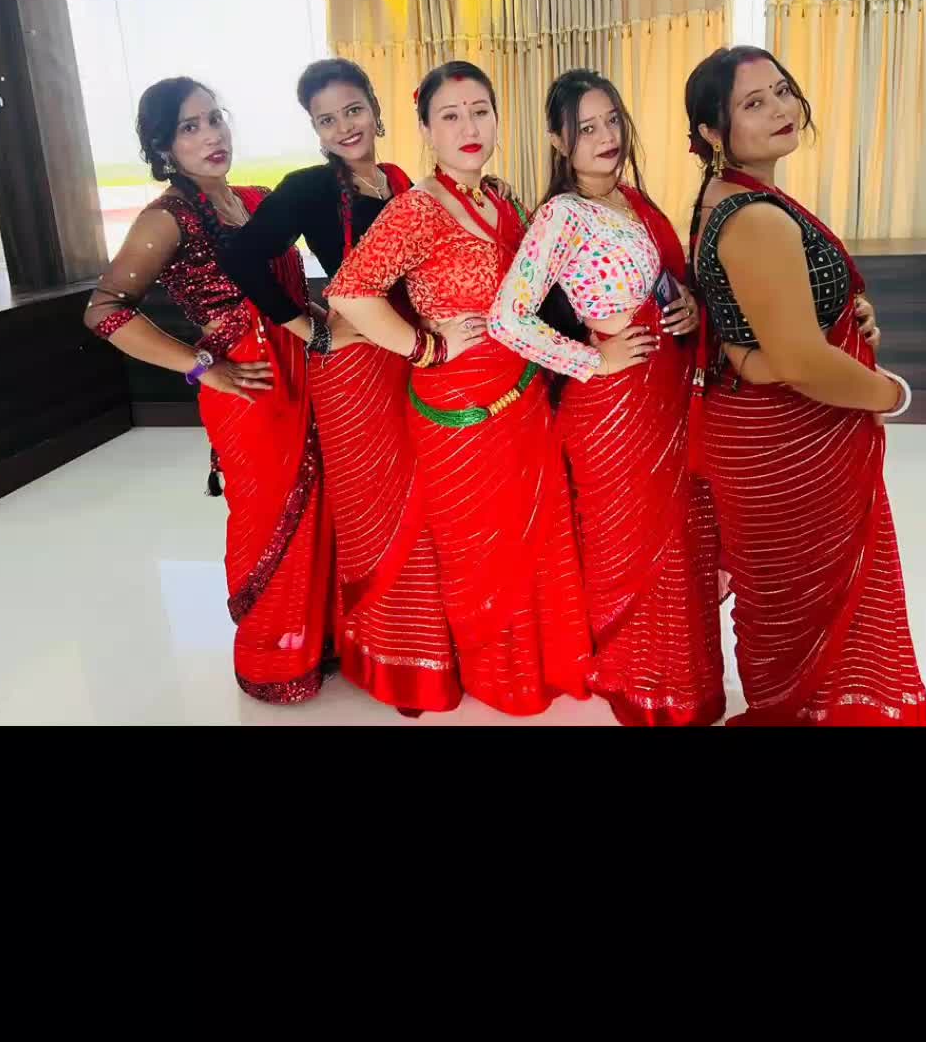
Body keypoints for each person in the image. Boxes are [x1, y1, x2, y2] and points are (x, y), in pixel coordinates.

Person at [327, 60, 594, 718]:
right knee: (481, 547)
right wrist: (426, 346)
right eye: (450, 115)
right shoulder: (416, 209)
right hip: (460, 410)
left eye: (480, 111)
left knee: (538, 531)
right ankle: (497, 674)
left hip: (524, 393)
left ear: (498, 119)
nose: (468, 127)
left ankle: (542, 663)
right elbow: (350, 294)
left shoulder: (501, 198)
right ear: (425, 130)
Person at [685, 45, 926, 727]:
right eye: (753, 103)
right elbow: (798, 361)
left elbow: (759, 326)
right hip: (786, 442)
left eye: (782, 91)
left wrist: (843, 313)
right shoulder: (755, 216)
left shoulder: (731, 196)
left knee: (791, 599)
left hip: (770, 429)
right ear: (712, 131)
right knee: (805, 599)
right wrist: (892, 394)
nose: (780, 109)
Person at [221, 57, 462, 716]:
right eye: (326, 119)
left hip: (411, 353)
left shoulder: (401, 181)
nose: (344, 127)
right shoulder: (306, 188)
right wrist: (310, 328)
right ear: (315, 130)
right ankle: (388, 657)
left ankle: (431, 649)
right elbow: (242, 257)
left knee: (421, 504)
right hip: (353, 369)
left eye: (353, 110)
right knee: (373, 514)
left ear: (376, 111)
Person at [83, 77, 333, 706]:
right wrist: (200, 367)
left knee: (318, 504)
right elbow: (104, 311)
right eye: (189, 127)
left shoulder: (255, 200)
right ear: (164, 147)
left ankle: (318, 644)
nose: (212, 135)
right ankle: (271, 661)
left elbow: (290, 293)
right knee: (266, 515)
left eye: (215, 118)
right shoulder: (166, 218)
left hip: (303, 372)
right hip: (245, 387)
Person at [489, 69, 725, 727]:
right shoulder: (562, 215)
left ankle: (685, 684)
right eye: (586, 128)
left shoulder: (633, 201)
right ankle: (641, 687)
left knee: (678, 542)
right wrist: (594, 359)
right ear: (559, 143)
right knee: (634, 552)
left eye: (612, 120)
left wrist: (688, 309)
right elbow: (508, 318)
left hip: (666, 396)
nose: (605, 137)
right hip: (613, 411)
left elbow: (665, 284)